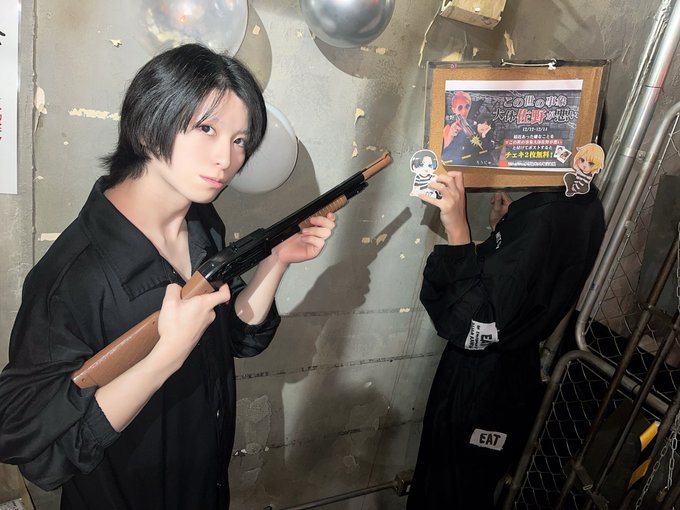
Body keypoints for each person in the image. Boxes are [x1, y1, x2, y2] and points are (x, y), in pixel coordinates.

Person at [0, 43, 336, 510]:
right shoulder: (73, 277)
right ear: (147, 126)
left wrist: (275, 261)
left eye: (240, 140)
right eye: (206, 128)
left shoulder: (202, 225)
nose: (226, 158)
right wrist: (163, 358)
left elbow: (236, 337)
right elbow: (34, 445)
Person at [407, 170, 605, 509]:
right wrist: (504, 231)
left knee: (449, 489)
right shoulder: (582, 202)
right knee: (468, 484)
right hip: (509, 374)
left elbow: (472, 324)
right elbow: (522, 284)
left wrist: (458, 231)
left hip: (482, 379)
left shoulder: (546, 215)